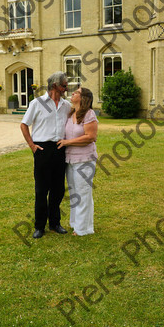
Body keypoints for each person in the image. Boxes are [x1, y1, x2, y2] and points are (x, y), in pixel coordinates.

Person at [20, 72, 71, 239]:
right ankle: (39, 226)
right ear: (55, 86)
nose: (66, 88)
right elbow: (24, 125)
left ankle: (55, 223)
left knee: (57, 190)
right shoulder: (37, 103)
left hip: (60, 148)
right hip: (42, 149)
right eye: (64, 85)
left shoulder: (66, 106)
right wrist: (32, 146)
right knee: (41, 190)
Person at [57, 87, 98, 236]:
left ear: (83, 98)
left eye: (77, 92)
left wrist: (67, 143)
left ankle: (83, 229)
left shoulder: (89, 114)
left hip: (85, 160)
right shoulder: (71, 114)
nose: (73, 93)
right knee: (75, 194)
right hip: (70, 160)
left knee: (83, 194)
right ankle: (76, 224)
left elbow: (90, 137)